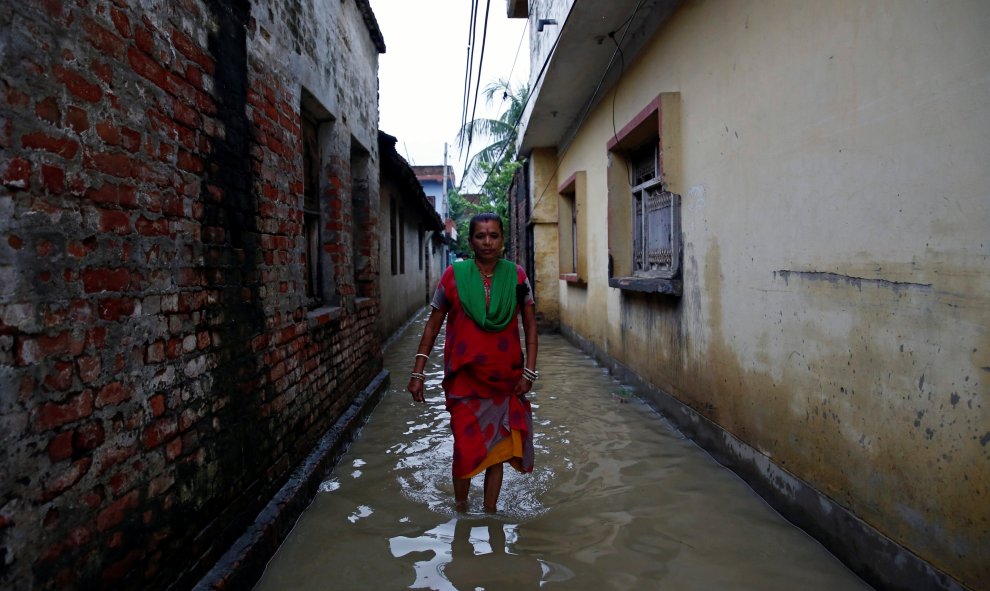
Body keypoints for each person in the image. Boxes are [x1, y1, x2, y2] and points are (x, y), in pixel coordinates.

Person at [407, 212, 539, 513]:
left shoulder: (517, 277)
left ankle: (490, 513)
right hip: (464, 382)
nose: (488, 242)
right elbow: (432, 326)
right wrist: (418, 371)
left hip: (505, 382)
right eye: (481, 236)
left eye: (494, 235)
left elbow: (530, 327)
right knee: (465, 450)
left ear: (503, 240)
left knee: (499, 451)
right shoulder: (453, 277)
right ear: (470, 241)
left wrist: (529, 373)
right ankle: (461, 508)